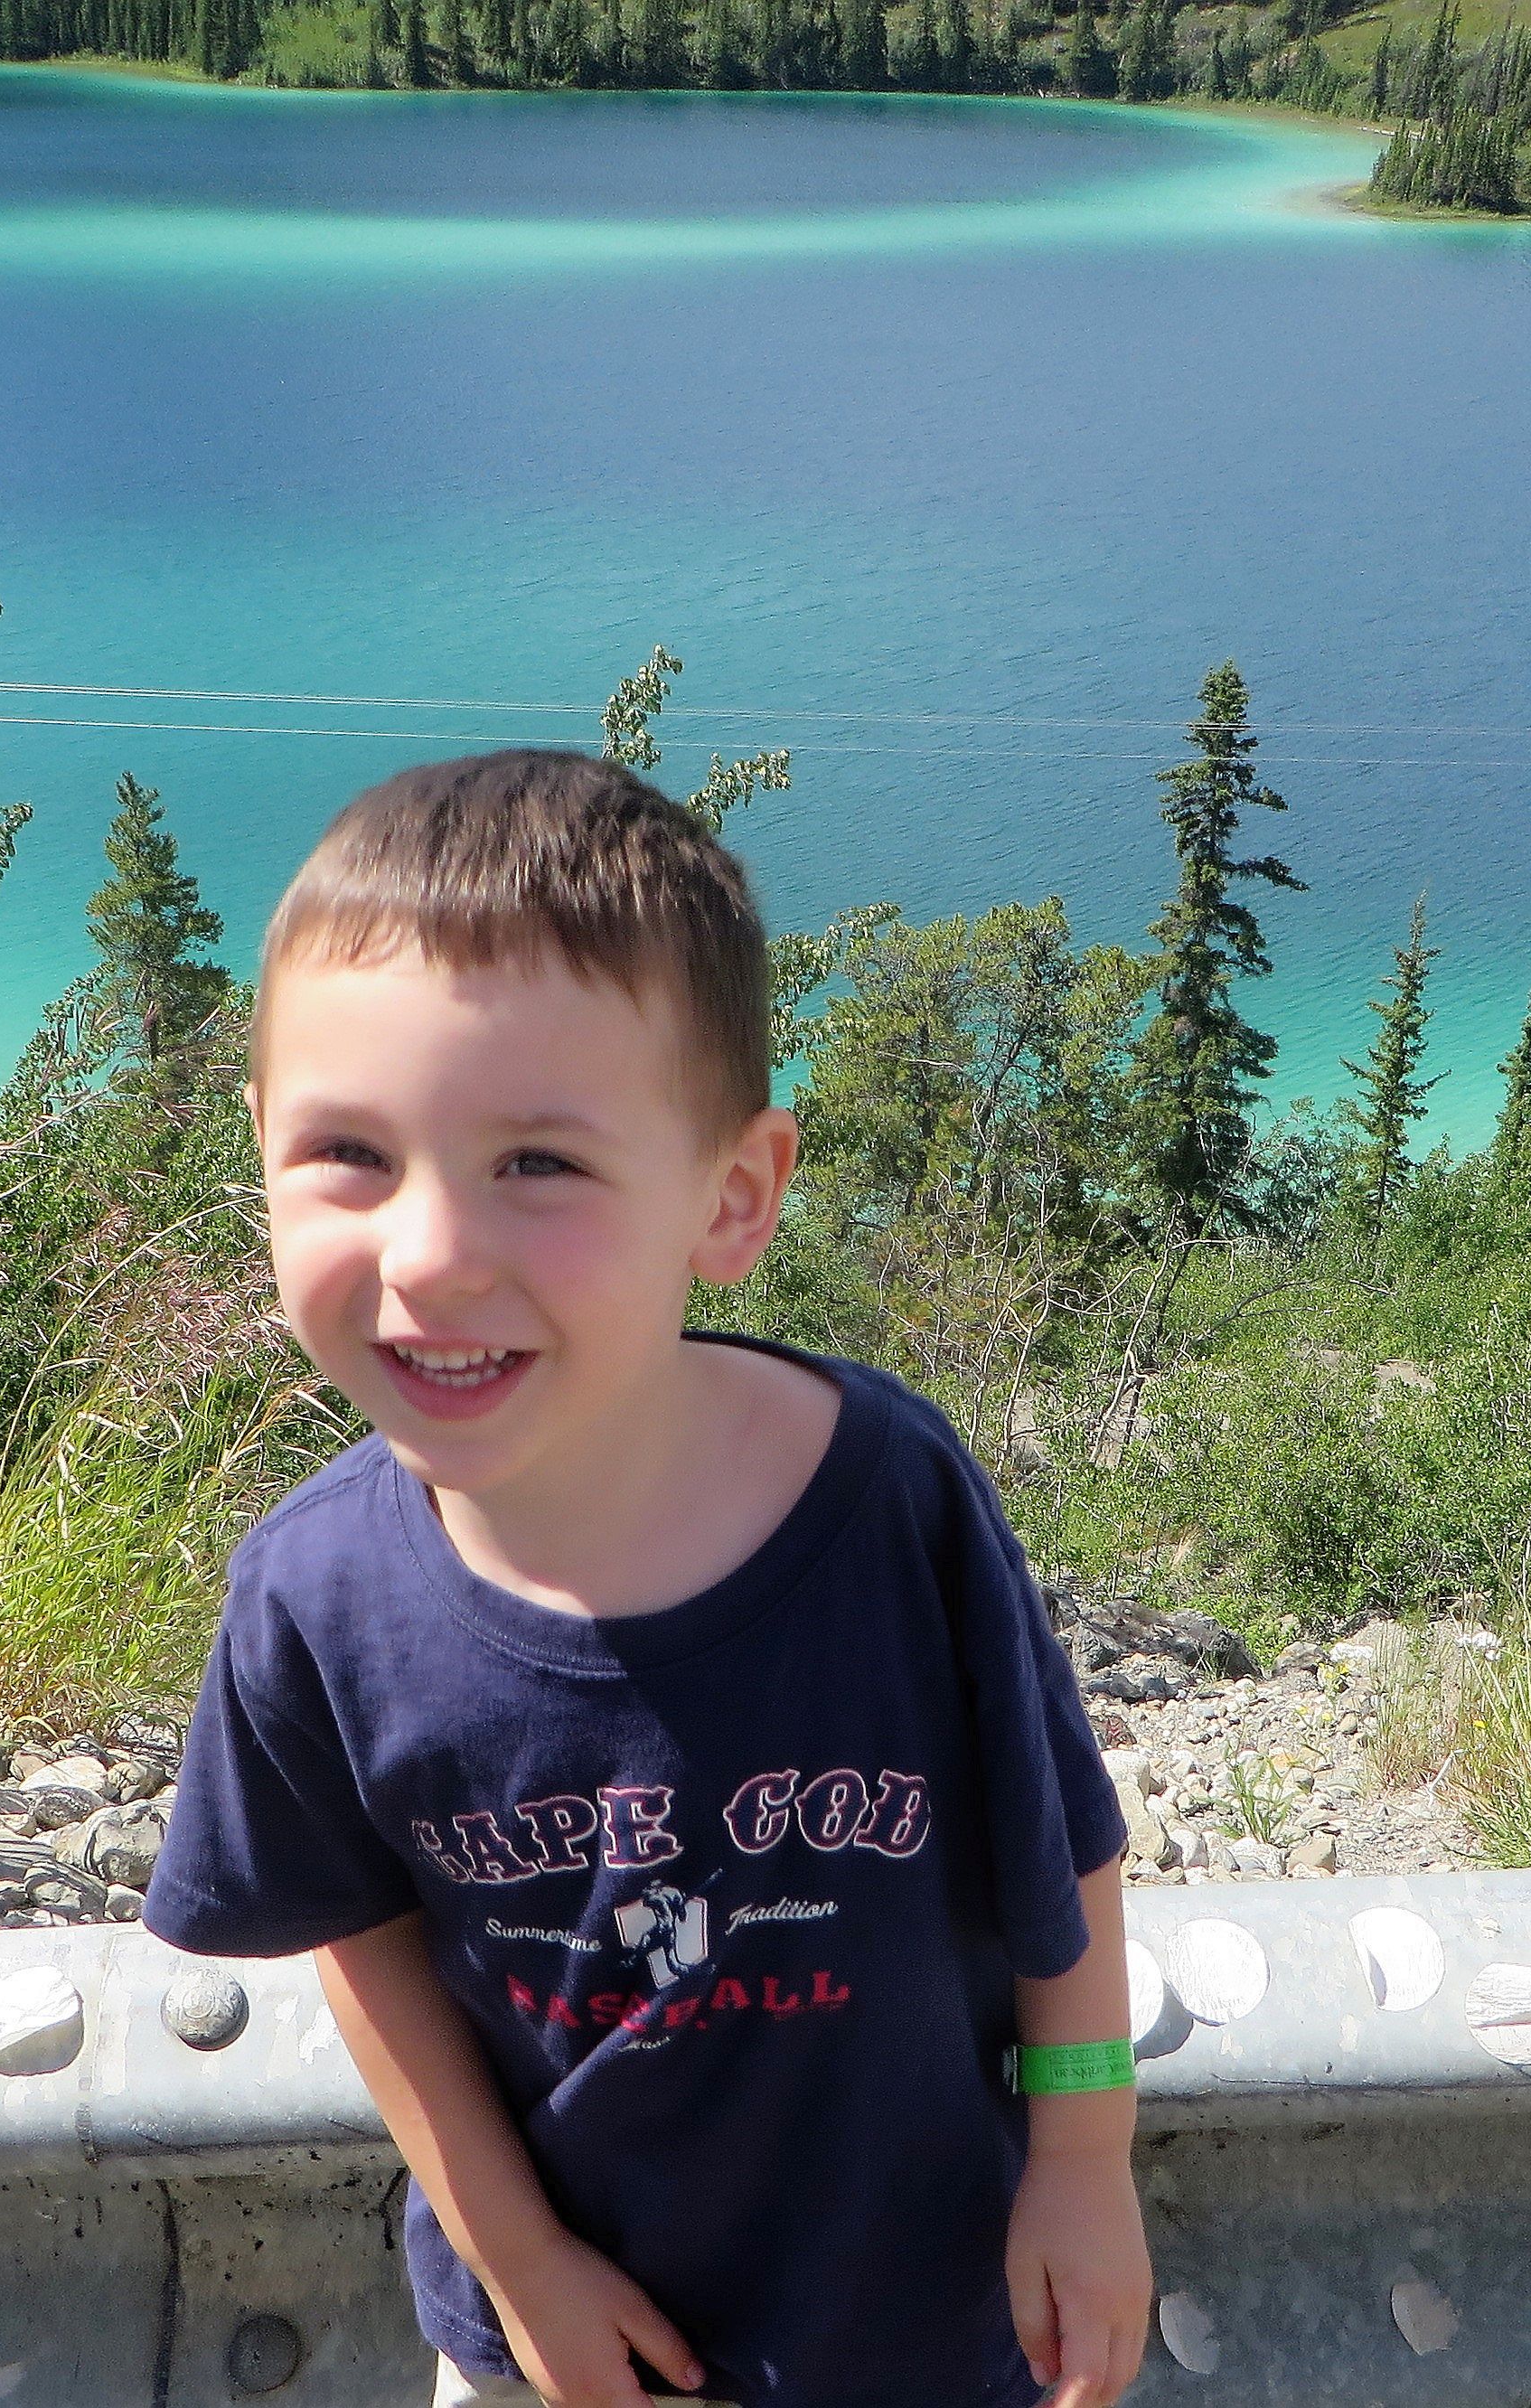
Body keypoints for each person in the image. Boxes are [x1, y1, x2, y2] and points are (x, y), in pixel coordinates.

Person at [144, 749, 1146, 2408]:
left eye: (538, 1163)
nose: (429, 1255)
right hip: (564, 2353)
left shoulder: (892, 1504)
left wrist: (1088, 2158)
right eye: (348, 1152)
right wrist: (518, 2262)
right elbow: (363, 1943)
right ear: (257, 1149)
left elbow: (1067, 1853)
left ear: (732, 1197)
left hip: (924, 2317)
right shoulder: (317, 1599)